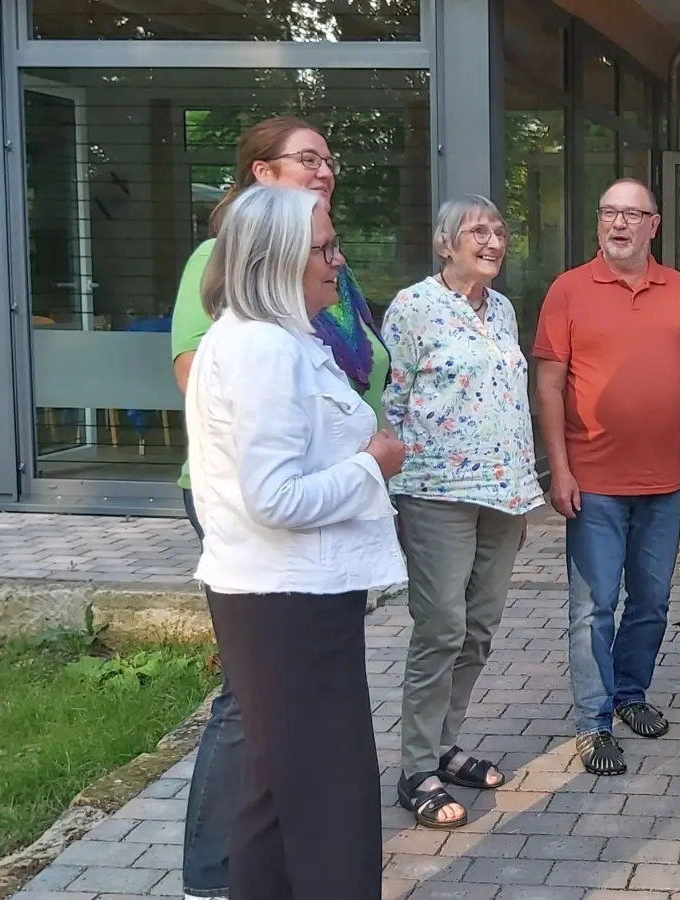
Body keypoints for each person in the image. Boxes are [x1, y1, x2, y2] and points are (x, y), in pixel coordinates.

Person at [168, 115, 390, 900]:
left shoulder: (281, 337)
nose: (338, 261)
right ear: (280, 257)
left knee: (274, 795)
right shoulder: (262, 348)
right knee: (328, 802)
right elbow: (274, 497)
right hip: (286, 596)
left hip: (294, 592)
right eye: (325, 249)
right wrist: (371, 465)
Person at [533, 177, 680, 776]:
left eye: (632, 214)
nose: (619, 223)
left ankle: (630, 695)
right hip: (593, 482)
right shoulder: (568, 290)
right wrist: (559, 469)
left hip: (664, 481)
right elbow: (549, 386)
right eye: (609, 212)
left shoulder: (679, 289)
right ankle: (593, 723)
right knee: (593, 607)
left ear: (653, 226)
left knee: (653, 602)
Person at [383, 195, 544, 827]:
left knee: (479, 628)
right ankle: (415, 769)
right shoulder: (413, 307)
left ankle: (445, 747)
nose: (494, 241)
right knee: (441, 628)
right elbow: (393, 402)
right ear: (445, 243)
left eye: (500, 231)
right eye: (479, 231)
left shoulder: (501, 308)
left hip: (503, 493)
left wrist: (523, 485)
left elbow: (508, 398)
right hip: (436, 492)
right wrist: (389, 488)